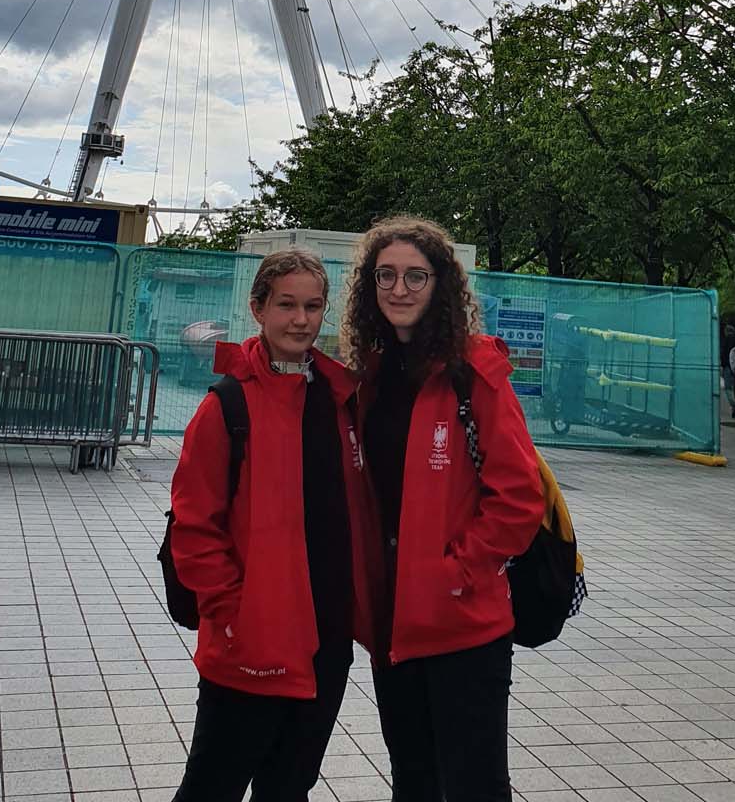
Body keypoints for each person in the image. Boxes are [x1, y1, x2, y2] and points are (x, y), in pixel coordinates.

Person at [341, 215, 544, 802]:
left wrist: (457, 573)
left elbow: (519, 496)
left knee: (475, 785)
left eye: (415, 276)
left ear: (441, 285)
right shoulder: (371, 375)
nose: (399, 289)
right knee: (414, 781)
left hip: (461, 621)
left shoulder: (472, 372)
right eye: (385, 276)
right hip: (394, 619)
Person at [169, 248, 380, 802]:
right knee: (211, 787)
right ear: (258, 308)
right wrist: (231, 613)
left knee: (288, 788)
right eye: (286, 305)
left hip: (326, 637)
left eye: (313, 306)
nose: (301, 320)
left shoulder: (340, 398)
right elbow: (194, 526)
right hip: (252, 637)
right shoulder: (227, 406)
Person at [720, 320, 735, 419]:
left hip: (728, 366)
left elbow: (724, 353)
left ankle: (734, 404)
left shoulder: (727, 340)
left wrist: (723, 365)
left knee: (728, 388)